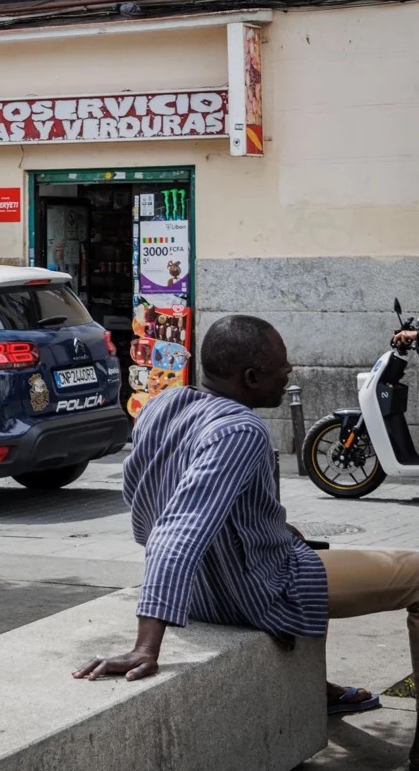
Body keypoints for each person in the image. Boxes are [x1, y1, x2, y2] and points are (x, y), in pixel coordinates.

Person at [72, 315, 419, 766]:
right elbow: (178, 530)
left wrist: (268, 534)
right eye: (283, 365)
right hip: (250, 595)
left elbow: (145, 510)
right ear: (252, 378)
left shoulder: (163, 403)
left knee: (308, 547)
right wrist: (146, 646)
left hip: (198, 589)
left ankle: (315, 687)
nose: (291, 371)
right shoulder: (241, 432)